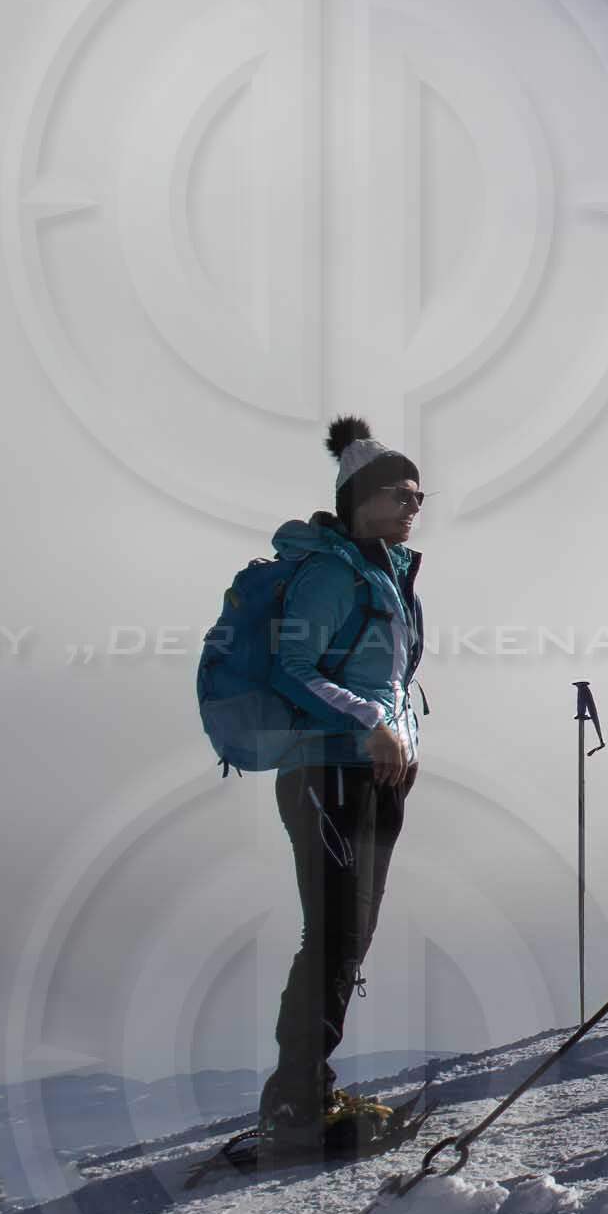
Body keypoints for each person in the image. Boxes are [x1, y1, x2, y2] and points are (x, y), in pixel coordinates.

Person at [232, 418, 431, 1162]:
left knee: (352, 935)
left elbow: (389, 677)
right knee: (335, 935)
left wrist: (402, 739)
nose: (415, 503)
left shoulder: (387, 572)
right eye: (400, 493)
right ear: (359, 497)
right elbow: (294, 668)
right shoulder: (330, 573)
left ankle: (305, 1093)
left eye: (419, 493)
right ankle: (295, 1105)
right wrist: (375, 726)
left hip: (375, 771)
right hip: (327, 769)